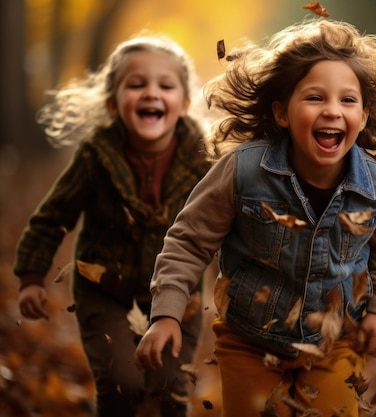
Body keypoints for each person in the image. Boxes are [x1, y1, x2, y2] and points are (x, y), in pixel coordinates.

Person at [134, 18, 376, 417]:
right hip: (249, 341)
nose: (332, 110)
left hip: (336, 341)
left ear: (363, 117)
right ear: (281, 113)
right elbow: (189, 241)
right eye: (314, 98)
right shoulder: (243, 172)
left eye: (347, 100)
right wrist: (166, 314)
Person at [13, 33, 212, 417]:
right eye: (136, 85)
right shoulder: (96, 155)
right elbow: (54, 216)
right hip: (106, 293)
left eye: (165, 85)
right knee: (123, 385)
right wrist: (31, 276)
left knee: (170, 393)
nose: (151, 93)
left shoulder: (202, 161)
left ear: (184, 103)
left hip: (179, 298)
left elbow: (223, 223)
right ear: (112, 102)